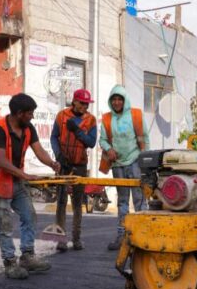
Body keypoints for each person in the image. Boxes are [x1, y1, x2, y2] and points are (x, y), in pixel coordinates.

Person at [0, 93, 61, 279]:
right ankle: (10, 263)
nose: (32, 116)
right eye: (29, 113)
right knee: (5, 222)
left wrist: (51, 163)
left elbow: (38, 149)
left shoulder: (27, 128)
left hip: (16, 180)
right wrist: (24, 174)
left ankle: (27, 256)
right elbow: (0, 160)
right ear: (19, 113)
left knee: (29, 215)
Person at [99, 85, 149, 251]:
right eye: (114, 99)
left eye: (120, 99)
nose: (117, 102)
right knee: (122, 202)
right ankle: (122, 236)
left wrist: (145, 162)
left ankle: (143, 235)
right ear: (110, 101)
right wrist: (109, 149)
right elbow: (103, 140)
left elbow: (144, 138)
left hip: (135, 161)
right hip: (118, 164)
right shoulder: (106, 118)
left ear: (125, 100)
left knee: (139, 200)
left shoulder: (136, 115)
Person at [50, 89, 97, 252]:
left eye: (87, 104)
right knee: (61, 203)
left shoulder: (91, 120)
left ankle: (76, 239)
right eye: (82, 103)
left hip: (79, 165)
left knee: (77, 203)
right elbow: (53, 137)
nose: (85, 106)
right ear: (74, 101)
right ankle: (60, 241)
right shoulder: (61, 116)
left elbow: (91, 142)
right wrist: (58, 154)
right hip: (64, 165)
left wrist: (77, 131)